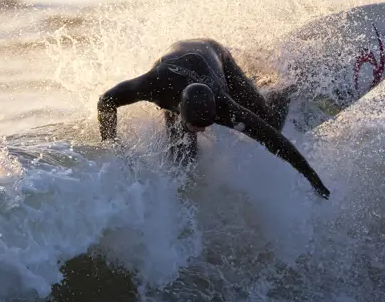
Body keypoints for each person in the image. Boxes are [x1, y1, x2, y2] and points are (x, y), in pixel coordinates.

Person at [97, 38, 331, 199]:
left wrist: (314, 180)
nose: (201, 131)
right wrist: (110, 142)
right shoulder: (153, 85)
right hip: (173, 73)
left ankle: (283, 88)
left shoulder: (224, 105)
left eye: (205, 125)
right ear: (179, 109)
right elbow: (106, 101)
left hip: (215, 54)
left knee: (271, 123)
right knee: (183, 158)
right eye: (196, 126)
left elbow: (275, 142)